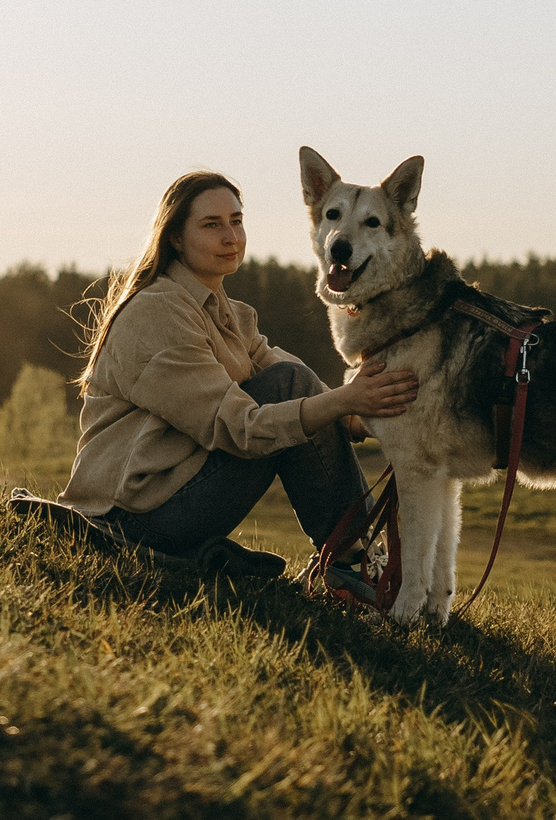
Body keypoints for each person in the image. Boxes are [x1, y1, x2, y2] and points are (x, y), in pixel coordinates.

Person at [59, 169, 417, 570]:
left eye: (237, 221)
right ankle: (361, 563)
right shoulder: (158, 311)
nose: (231, 237)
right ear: (175, 237)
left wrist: (360, 412)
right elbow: (241, 428)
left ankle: (364, 558)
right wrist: (344, 400)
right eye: (212, 225)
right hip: (128, 518)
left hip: (167, 503)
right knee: (292, 387)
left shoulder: (227, 313)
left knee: (299, 385)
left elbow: (296, 380)